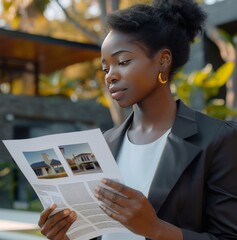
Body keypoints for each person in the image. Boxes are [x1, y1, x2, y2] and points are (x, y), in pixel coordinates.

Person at [37, 0, 237, 239]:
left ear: (163, 59)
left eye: (123, 62)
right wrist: (65, 235)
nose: (111, 76)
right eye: (105, 68)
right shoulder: (103, 144)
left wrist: (156, 229)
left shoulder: (217, 138)